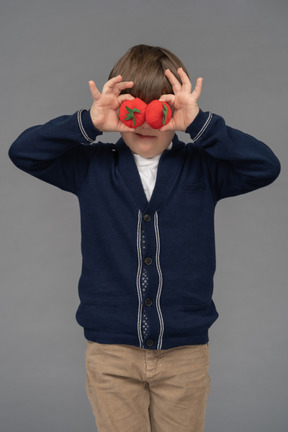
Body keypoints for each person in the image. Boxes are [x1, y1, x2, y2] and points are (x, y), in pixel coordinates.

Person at [8, 44, 281, 432]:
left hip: (185, 352)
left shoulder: (202, 170)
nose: (147, 120)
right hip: (111, 354)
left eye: (162, 109)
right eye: (134, 107)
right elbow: (24, 152)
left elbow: (266, 166)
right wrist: (90, 122)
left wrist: (199, 124)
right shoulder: (92, 169)